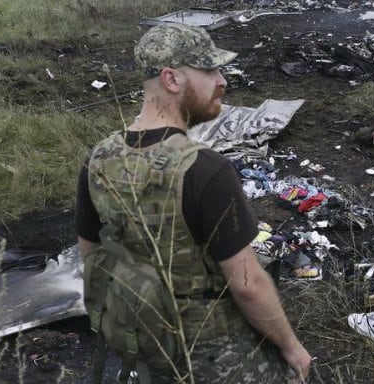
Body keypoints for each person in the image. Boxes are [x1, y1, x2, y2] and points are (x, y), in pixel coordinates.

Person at [75, 23, 311, 383]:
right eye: (210, 70)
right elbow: (248, 286)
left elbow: (92, 257)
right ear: (172, 79)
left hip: (145, 351)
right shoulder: (206, 169)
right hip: (211, 358)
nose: (222, 81)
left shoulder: (98, 159)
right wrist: (291, 347)